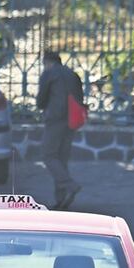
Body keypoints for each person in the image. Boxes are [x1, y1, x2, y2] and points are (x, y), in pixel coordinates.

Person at [37, 50, 86, 209]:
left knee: (48, 155)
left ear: (47, 62)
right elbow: (80, 97)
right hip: (71, 120)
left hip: (55, 119)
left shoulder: (49, 74)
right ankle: (61, 199)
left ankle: (69, 185)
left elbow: (41, 100)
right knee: (61, 158)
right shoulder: (72, 74)